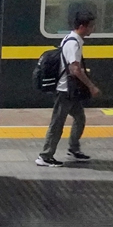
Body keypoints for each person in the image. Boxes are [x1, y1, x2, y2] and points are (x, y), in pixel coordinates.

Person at [38, 9, 101, 167]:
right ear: (82, 26)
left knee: (80, 118)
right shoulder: (73, 43)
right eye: (91, 26)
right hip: (65, 90)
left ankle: (73, 149)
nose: (92, 29)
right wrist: (91, 86)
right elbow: (74, 69)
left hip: (71, 90)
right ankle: (45, 156)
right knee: (57, 123)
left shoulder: (74, 40)